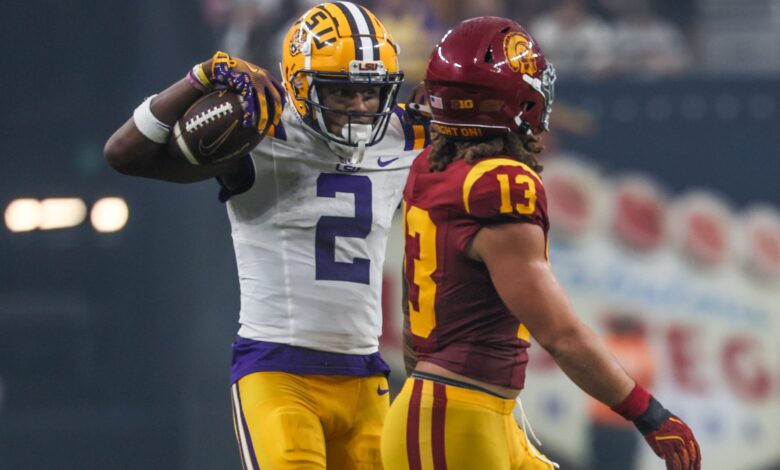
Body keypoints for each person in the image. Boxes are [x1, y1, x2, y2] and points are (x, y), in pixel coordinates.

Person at [104, 2, 430, 469]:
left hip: (366, 376)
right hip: (281, 372)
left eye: (370, 91)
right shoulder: (262, 127)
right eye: (341, 92)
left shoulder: (404, 134)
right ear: (301, 84)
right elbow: (123, 155)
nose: (360, 107)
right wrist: (199, 79)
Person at [380, 16, 701, 470]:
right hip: (456, 419)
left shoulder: (432, 166)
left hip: (467, 413)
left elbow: (414, 331)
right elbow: (560, 335)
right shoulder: (499, 185)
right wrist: (649, 414)